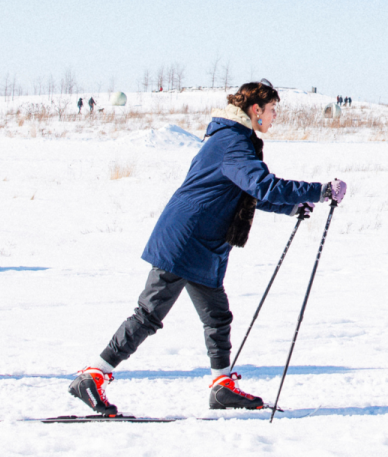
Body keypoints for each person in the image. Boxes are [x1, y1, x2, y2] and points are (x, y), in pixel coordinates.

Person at [69, 80, 346, 415]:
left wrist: (289, 207)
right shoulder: (232, 141)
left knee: (217, 317)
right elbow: (262, 184)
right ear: (255, 110)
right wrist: (318, 191)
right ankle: (93, 375)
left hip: (204, 244)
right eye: (272, 110)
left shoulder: (235, 139)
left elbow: (245, 191)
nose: (274, 117)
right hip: (184, 240)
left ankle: (221, 386)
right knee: (148, 315)